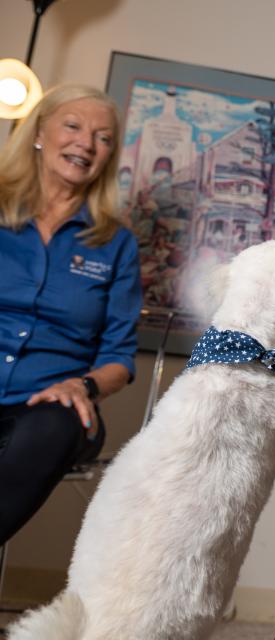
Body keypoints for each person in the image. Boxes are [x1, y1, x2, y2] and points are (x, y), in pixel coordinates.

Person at [0, 84, 143, 545]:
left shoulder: (116, 244)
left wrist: (80, 386)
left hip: (53, 406)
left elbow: (119, 361)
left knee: (53, 422)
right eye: (74, 126)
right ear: (40, 132)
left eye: (103, 138)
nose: (86, 143)